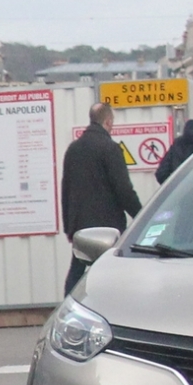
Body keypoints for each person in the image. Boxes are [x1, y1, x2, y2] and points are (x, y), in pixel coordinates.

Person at [60, 100, 141, 291]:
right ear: (109, 122)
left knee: (77, 270)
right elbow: (123, 189)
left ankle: (69, 307)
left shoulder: (73, 149)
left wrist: (68, 227)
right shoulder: (111, 149)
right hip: (107, 226)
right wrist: (141, 215)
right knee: (112, 271)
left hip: (80, 225)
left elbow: (66, 189)